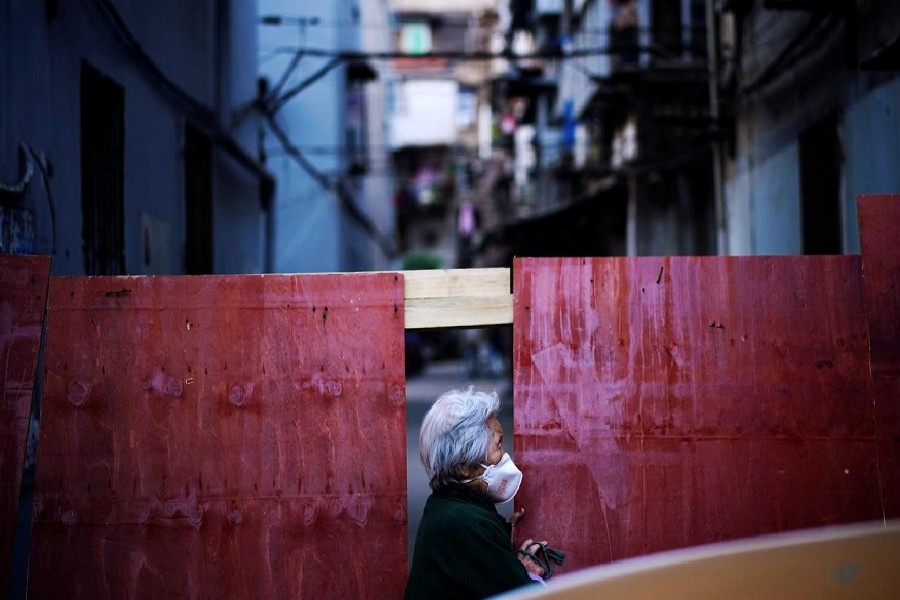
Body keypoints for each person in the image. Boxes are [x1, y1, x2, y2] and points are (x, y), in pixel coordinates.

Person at [405, 387, 550, 599]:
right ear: (464, 465)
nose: (504, 456)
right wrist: (529, 574)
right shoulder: (471, 526)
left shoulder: (441, 506)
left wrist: (500, 542)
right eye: (498, 444)